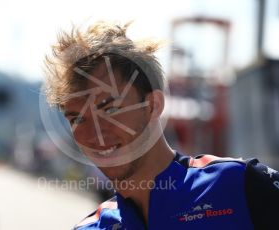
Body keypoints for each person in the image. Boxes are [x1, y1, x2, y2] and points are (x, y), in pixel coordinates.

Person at [44, 21, 279, 229]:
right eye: (77, 118)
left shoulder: (239, 184)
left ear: (154, 105)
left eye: (109, 109)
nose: (94, 133)